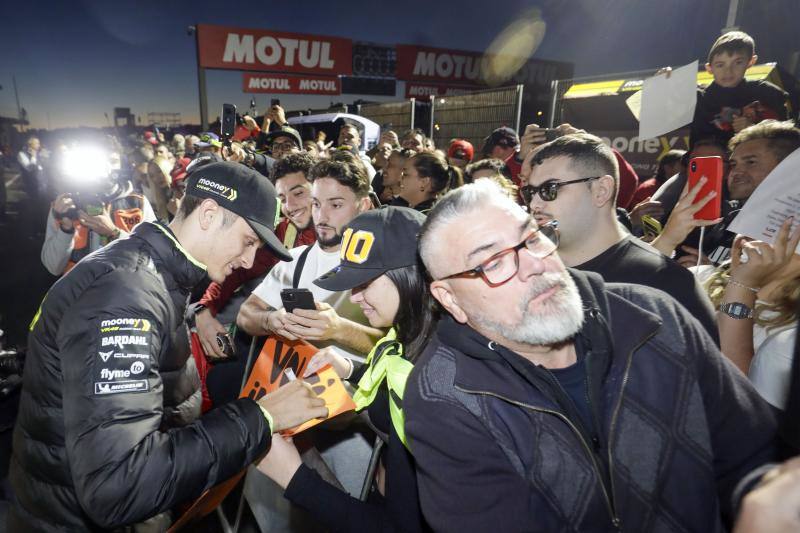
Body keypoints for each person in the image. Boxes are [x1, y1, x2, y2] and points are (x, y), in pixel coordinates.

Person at [405, 180, 777, 532]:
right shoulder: (445, 394)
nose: (535, 264)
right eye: (493, 264)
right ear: (450, 299)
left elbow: (754, 458)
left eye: (532, 238)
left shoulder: (654, 319)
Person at [9, 162, 328, 530]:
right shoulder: (125, 294)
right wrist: (260, 418)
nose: (249, 260)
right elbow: (118, 485)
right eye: (249, 241)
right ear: (209, 214)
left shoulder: (151, 272)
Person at [257, 206, 433, 532]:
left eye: (365, 283)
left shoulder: (435, 378)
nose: (355, 296)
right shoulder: (408, 332)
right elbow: (393, 389)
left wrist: (293, 477)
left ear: (409, 274)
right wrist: (351, 368)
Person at [236, 159, 383, 529]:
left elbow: (402, 352)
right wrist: (273, 320)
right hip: (292, 412)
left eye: (336, 204)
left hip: (354, 425)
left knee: (341, 514)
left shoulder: (384, 267)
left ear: (363, 205)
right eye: (317, 204)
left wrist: (339, 330)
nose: (321, 215)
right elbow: (245, 315)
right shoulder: (296, 262)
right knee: (284, 514)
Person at [523, 133, 718, 339]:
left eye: (549, 189)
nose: (534, 204)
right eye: (530, 192)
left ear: (601, 190)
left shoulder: (665, 283)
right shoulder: (526, 271)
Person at [195, 152, 317, 361]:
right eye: (282, 199)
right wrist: (203, 309)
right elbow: (237, 271)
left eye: (298, 193)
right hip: (290, 343)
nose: (290, 206)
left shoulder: (349, 233)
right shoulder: (284, 232)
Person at [652, 120, 800, 266]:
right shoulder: (726, 218)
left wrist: (711, 275)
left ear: (787, 167)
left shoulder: (793, 231)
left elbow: (780, 288)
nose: (736, 172)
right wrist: (667, 240)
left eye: (751, 162)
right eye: (734, 164)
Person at [701, 218, 800, 409]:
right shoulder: (701, 275)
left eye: (785, 230)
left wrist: (743, 285)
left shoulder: (789, 337)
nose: (753, 236)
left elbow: (734, 394)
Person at [42, 165, 157, 276]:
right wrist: (65, 230)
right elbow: (53, 268)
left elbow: (156, 259)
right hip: (81, 292)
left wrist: (114, 233)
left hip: (126, 290)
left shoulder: (137, 203)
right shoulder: (64, 206)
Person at [691, 31, 789, 147]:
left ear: (751, 62)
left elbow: (787, 140)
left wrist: (753, 130)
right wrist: (665, 78)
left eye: (738, 62)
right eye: (720, 65)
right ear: (709, 68)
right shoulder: (698, 97)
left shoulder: (767, 93)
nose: (728, 71)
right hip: (708, 160)